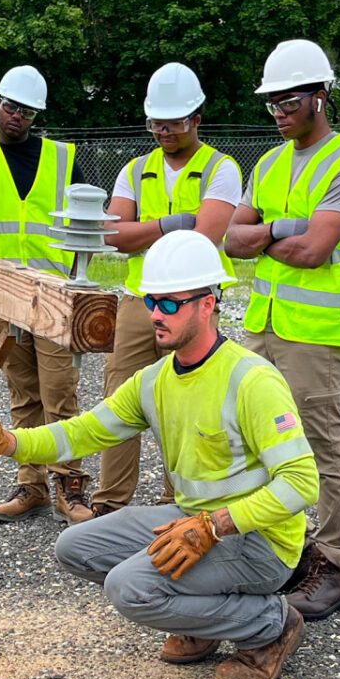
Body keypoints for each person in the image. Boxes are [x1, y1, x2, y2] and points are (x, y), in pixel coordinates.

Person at [0, 231, 316, 679]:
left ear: (207, 304)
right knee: (75, 547)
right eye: (151, 301)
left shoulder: (251, 381)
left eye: (170, 304)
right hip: (191, 520)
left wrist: (215, 526)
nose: (154, 314)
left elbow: (302, 483)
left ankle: (271, 624)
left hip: (261, 542)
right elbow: (83, 432)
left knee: (129, 587)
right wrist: (10, 442)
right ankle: (204, 622)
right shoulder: (155, 381)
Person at [224, 39, 340, 621]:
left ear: (321, 95)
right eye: (271, 102)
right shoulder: (268, 163)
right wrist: (278, 231)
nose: (278, 111)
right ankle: (289, 549)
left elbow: (317, 250)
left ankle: (334, 563)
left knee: (319, 447)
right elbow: (230, 239)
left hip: (316, 333)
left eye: (288, 99)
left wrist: (264, 233)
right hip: (265, 325)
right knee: (266, 443)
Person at [0, 65, 92, 524]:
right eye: (10, 107)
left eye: (25, 111)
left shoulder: (63, 159)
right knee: (24, 393)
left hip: (53, 296)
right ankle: (32, 484)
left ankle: (69, 482)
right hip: (4, 296)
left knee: (60, 394)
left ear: (35, 115)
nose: (16, 117)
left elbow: (89, 219)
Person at [91, 62, 243, 518]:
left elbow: (206, 236)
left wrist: (148, 229)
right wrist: (171, 223)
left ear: (196, 118)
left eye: (174, 122)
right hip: (140, 299)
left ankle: (178, 504)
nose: (163, 131)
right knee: (120, 399)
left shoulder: (221, 168)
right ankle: (111, 505)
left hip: (196, 303)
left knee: (187, 402)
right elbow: (113, 236)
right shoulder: (136, 169)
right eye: (156, 122)